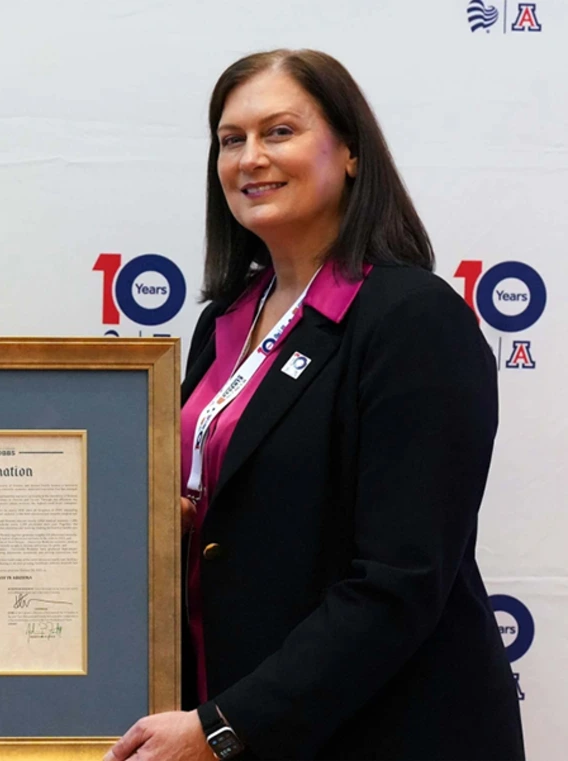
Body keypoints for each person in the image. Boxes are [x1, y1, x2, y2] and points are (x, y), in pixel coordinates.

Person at [107, 50, 524, 761]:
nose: (250, 158)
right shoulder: (226, 318)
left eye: (279, 132)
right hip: (234, 714)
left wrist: (225, 725)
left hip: (380, 730)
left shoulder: (412, 319)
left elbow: (400, 581)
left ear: (352, 153)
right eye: (231, 139)